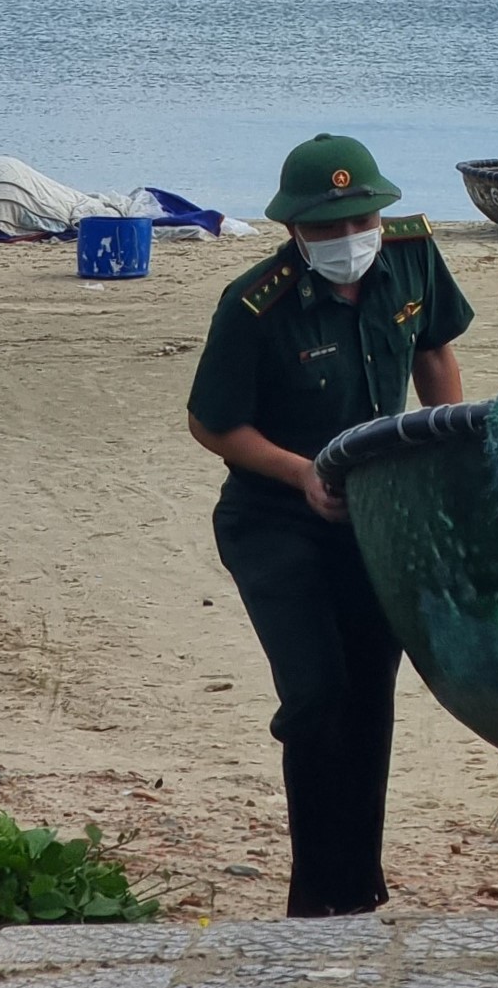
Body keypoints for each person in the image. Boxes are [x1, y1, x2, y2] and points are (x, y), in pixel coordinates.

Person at [186, 134, 473, 918]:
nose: (350, 241)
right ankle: (316, 896)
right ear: (292, 231)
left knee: (369, 695)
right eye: (328, 228)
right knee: (316, 697)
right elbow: (213, 424)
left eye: (360, 221)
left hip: (375, 512)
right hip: (275, 518)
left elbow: (436, 350)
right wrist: (300, 472)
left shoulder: (412, 256)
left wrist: (442, 445)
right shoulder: (257, 305)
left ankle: (360, 884)